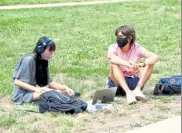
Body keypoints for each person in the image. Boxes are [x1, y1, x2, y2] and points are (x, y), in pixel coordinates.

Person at [13, 36, 75, 104]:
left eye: (53, 52)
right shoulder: (28, 60)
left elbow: (50, 83)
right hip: (23, 95)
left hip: (33, 92)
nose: (52, 55)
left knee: (61, 91)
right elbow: (17, 82)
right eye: (50, 51)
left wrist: (64, 87)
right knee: (53, 94)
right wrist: (37, 89)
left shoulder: (43, 61)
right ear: (40, 49)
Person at [107, 25, 160, 105]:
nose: (118, 38)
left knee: (150, 63)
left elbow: (156, 57)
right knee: (113, 64)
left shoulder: (137, 48)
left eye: (120, 36)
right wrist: (129, 65)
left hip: (133, 81)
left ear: (129, 38)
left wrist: (142, 64)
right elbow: (111, 58)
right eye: (117, 36)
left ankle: (137, 90)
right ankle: (129, 93)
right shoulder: (113, 47)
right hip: (117, 83)